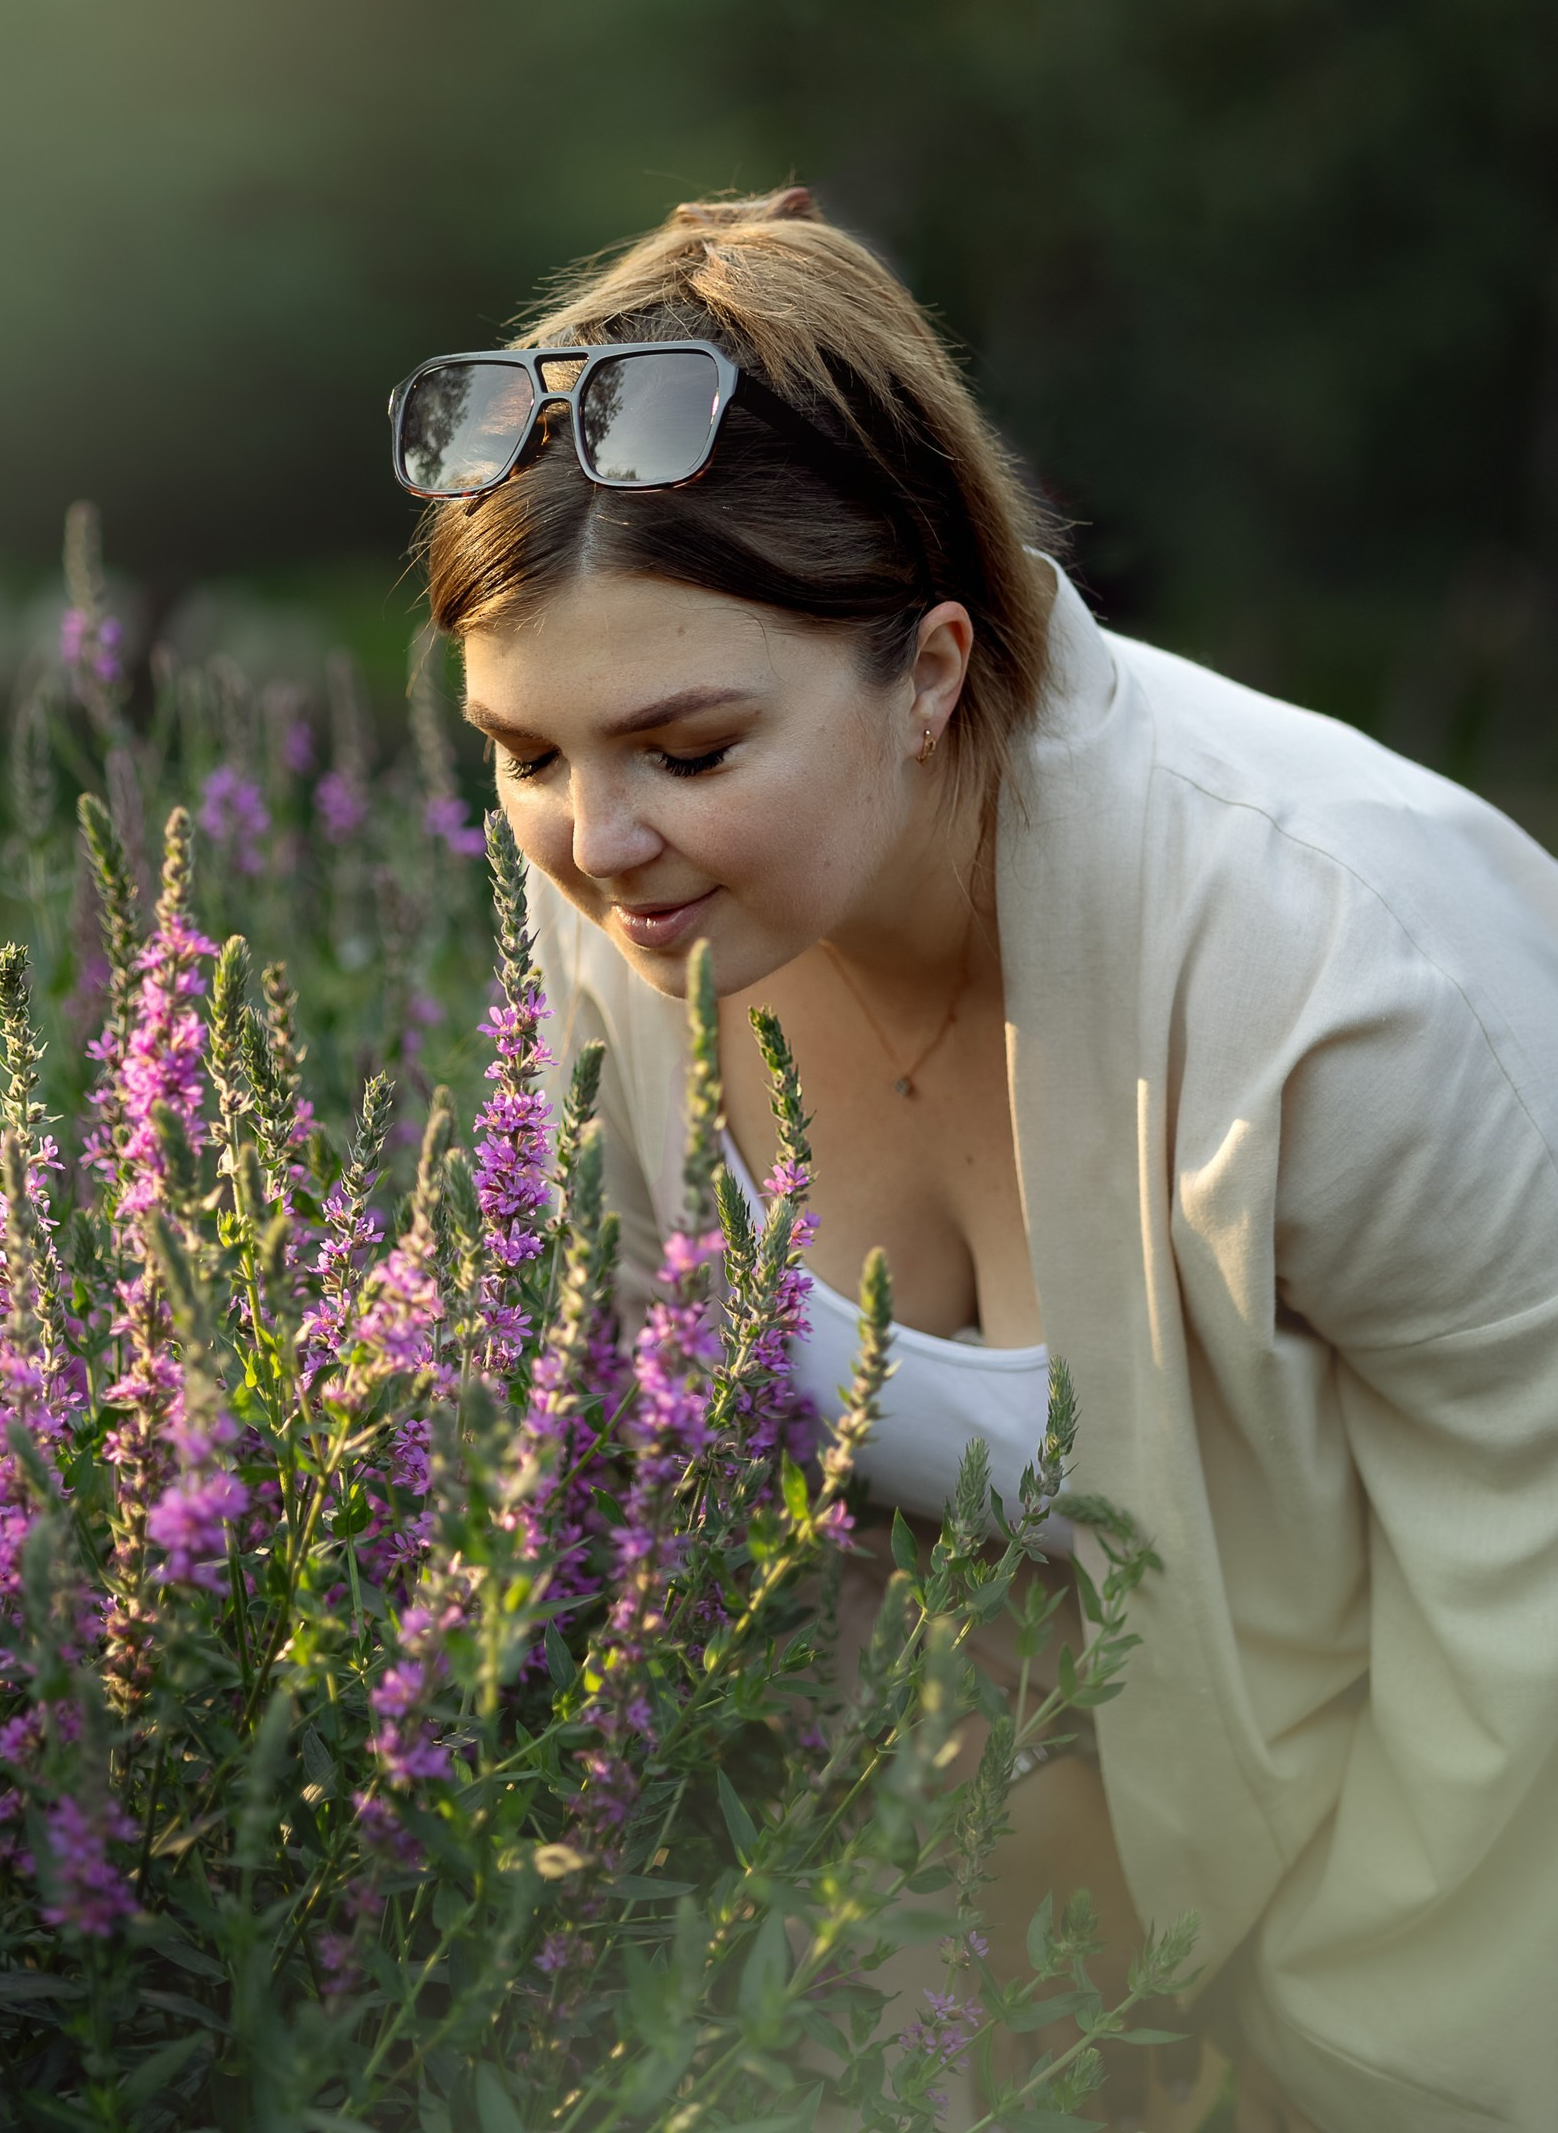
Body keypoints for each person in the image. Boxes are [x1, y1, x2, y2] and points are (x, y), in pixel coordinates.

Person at [398, 186, 1558, 2132]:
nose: (594, 839)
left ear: (930, 667)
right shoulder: (639, 915)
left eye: (686, 747)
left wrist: (1330, 2064)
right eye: (524, 753)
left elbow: (1527, 1623)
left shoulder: (1348, 964)